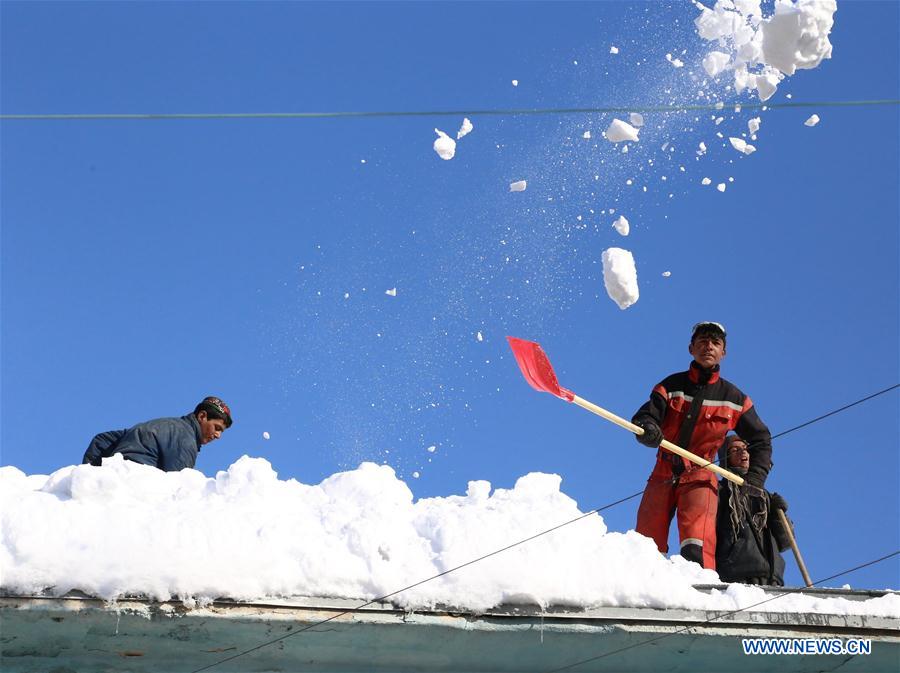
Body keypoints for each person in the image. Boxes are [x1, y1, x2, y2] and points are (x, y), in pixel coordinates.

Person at [631, 321, 772, 569]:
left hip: (701, 475)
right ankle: (642, 586)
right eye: (702, 342)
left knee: (696, 543)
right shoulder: (670, 386)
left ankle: (699, 589)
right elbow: (646, 417)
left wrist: (755, 478)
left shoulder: (735, 399)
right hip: (663, 472)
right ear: (691, 348)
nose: (709, 347)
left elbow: (761, 438)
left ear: (724, 352)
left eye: (715, 343)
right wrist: (649, 429)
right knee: (645, 542)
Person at [716, 434, 791, 585]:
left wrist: (778, 514)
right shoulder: (721, 491)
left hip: (772, 580)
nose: (742, 452)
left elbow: (786, 542)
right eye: (735, 449)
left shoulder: (765, 497)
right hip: (737, 577)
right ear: (725, 459)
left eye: (745, 449)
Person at [82, 396, 233, 471]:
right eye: (217, 428)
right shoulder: (185, 439)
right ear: (202, 416)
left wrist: (89, 476)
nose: (218, 436)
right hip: (136, 493)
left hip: (114, 481)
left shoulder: (164, 425)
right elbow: (179, 488)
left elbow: (101, 440)